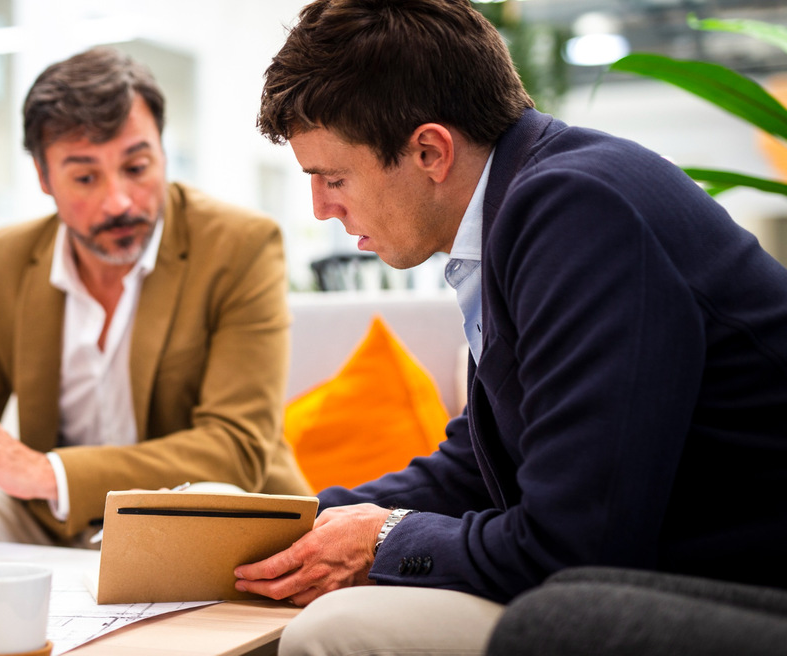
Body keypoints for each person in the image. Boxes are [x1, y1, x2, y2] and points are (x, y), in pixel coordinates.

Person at [232, 0, 787, 653]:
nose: (321, 208)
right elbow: (480, 466)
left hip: (742, 594)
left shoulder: (578, 213)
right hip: (665, 574)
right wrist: (291, 527)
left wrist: (383, 539)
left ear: (430, 151)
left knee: (334, 632)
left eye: (333, 177)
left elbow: (575, 546)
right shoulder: (529, 207)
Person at [0, 46, 311, 547]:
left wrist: (47, 473)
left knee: (210, 498)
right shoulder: (8, 258)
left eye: (137, 167)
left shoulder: (240, 245)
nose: (118, 201)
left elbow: (234, 447)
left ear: (163, 153)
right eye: (84, 177)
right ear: (44, 178)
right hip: (53, 521)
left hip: (188, 516)